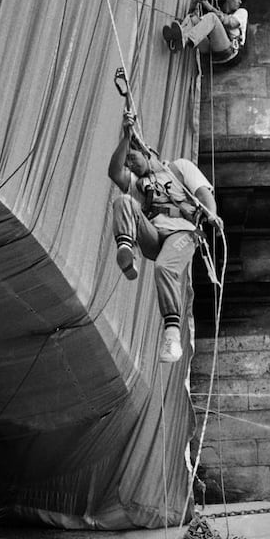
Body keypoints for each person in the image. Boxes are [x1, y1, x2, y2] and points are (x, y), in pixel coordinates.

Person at [108, 120, 223, 363]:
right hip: (155, 235)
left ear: (149, 152)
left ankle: (172, 337)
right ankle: (126, 250)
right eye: (127, 161)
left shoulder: (179, 168)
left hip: (183, 232)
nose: (129, 164)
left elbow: (204, 193)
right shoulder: (138, 183)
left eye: (132, 157)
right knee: (123, 201)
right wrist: (126, 138)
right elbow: (114, 172)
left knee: (164, 267)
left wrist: (211, 214)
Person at [163, 0, 248, 66]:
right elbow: (198, 26)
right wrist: (195, 4)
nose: (240, 2)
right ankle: (175, 40)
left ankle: (184, 39)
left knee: (212, 17)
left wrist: (208, 6)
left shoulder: (242, 12)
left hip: (230, 52)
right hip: (212, 54)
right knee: (193, 19)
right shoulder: (218, 13)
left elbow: (231, 23)